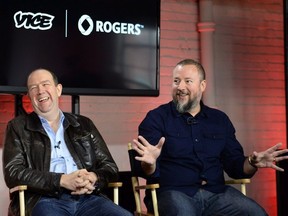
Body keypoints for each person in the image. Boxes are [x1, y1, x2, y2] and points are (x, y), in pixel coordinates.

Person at [132, 59, 288, 216]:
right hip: (173, 193)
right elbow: (146, 170)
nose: (180, 87)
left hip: (217, 194)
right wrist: (149, 164)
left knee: (256, 213)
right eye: (176, 81)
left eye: (188, 81)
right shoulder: (156, 118)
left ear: (202, 85)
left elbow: (235, 166)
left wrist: (251, 162)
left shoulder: (219, 120)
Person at [2, 69, 133, 216]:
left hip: (88, 198)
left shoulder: (84, 124)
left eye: (46, 84)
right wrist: (61, 180)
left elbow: (110, 168)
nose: (40, 91)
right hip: (44, 199)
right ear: (29, 96)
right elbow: (13, 172)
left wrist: (94, 177)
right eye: (33, 88)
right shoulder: (17, 127)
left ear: (58, 90)